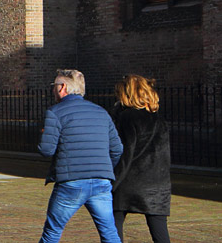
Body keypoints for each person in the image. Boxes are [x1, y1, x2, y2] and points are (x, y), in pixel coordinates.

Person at [37, 69, 123, 243]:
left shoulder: (55, 112)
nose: (52, 90)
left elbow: (46, 149)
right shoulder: (101, 112)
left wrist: (43, 135)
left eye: (54, 86)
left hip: (71, 182)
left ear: (62, 88)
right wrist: (102, 168)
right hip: (101, 181)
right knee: (109, 232)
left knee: (52, 231)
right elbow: (117, 148)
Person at [111, 75, 172, 243]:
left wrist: (112, 183)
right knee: (160, 233)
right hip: (157, 184)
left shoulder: (127, 117)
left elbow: (126, 153)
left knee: (114, 226)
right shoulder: (160, 120)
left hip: (130, 181)